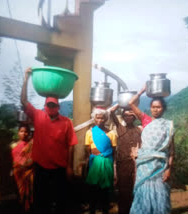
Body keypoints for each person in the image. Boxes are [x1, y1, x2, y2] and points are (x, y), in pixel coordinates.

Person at [21, 67, 78, 214]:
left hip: (59, 169)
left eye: (54, 105)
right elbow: (23, 101)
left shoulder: (66, 122)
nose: (51, 107)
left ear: (58, 106)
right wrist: (26, 78)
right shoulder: (38, 116)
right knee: (41, 201)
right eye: (49, 105)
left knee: (60, 201)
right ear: (45, 106)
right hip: (41, 167)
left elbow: (71, 145)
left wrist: (69, 167)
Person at [128, 85, 175, 214]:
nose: (155, 110)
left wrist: (169, 169)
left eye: (158, 107)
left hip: (160, 166)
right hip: (144, 165)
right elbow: (130, 103)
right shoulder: (145, 120)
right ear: (150, 108)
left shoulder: (168, 125)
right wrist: (142, 90)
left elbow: (171, 150)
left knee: (160, 195)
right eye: (153, 107)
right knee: (143, 192)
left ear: (163, 108)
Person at [110, 104, 142, 214]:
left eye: (131, 115)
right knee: (123, 189)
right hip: (122, 163)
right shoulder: (120, 128)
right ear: (123, 117)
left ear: (134, 117)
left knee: (135, 188)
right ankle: (123, 211)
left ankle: (135, 210)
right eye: (126, 116)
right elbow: (111, 112)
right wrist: (121, 102)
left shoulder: (139, 130)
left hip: (136, 163)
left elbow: (145, 120)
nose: (128, 117)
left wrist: (135, 110)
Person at [85, 108, 117, 214]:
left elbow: (113, 151)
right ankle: (92, 210)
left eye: (102, 118)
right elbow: (88, 151)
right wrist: (89, 164)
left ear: (105, 119)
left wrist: (114, 166)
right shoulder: (90, 132)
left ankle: (105, 210)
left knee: (105, 191)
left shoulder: (111, 133)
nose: (99, 120)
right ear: (94, 119)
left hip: (107, 163)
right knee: (93, 190)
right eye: (97, 118)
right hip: (94, 164)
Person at [11, 124, 33, 212]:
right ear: (18, 133)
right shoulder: (14, 146)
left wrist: (27, 164)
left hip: (29, 172)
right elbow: (14, 160)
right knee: (20, 195)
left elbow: (33, 159)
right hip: (19, 173)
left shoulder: (32, 144)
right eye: (21, 131)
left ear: (29, 133)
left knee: (30, 193)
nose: (24, 134)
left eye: (26, 132)